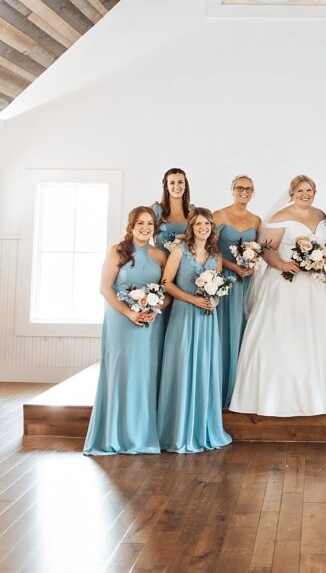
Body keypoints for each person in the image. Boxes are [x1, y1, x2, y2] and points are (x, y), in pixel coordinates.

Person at [230, 175, 326, 416]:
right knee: (286, 336)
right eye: (300, 190)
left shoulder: (321, 215)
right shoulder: (280, 217)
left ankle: (322, 393)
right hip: (287, 283)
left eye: (309, 190)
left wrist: (321, 261)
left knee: (318, 335)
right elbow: (267, 250)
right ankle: (279, 395)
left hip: (317, 286)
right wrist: (282, 265)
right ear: (292, 193)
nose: (304, 194)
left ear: (315, 192)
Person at [84, 206, 167, 455]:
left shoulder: (160, 255)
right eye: (140, 223)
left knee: (145, 375)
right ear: (131, 226)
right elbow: (105, 288)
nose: (145, 228)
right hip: (121, 321)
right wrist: (129, 312)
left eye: (149, 224)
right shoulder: (117, 251)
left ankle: (142, 435)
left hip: (151, 324)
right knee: (121, 373)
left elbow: (167, 291)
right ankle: (114, 435)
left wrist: (157, 308)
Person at [157, 208, 231, 452]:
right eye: (198, 224)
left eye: (207, 224)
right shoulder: (179, 251)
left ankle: (203, 427)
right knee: (182, 366)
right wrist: (192, 299)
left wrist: (213, 300)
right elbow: (166, 283)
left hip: (206, 317)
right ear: (192, 227)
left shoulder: (216, 256)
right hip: (184, 315)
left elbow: (217, 286)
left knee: (203, 367)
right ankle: (178, 431)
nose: (203, 228)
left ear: (212, 227)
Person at [213, 175, 262, 407]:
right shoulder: (218, 216)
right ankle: (220, 387)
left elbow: (261, 251)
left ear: (253, 192)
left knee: (244, 330)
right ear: (232, 189)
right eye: (239, 188)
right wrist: (233, 267)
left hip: (247, 283)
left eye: (248, 189)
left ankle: (239, 391)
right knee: (223, 331)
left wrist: (252, 265)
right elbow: (210, 249)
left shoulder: (256, 220)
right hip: (223, 280)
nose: (244, 192)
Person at [153, 167, 193, 253]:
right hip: (161, 265)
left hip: (185, 265)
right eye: (172, 183)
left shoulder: (193, 211)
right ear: (166, 186)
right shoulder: (157, 210)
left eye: (180, 182)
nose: (176, 186)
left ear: (185, 185)